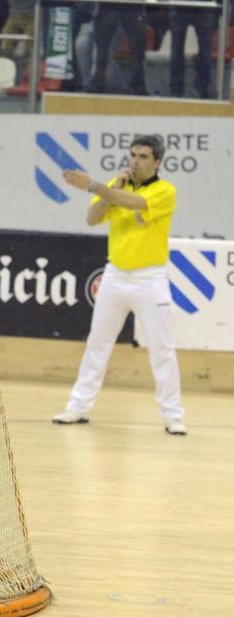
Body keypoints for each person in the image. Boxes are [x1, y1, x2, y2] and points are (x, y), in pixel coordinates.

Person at [54, 134, 186, 435]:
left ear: (156, 161)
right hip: (115, 276)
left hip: (150, 278)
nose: (135, 162)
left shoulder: (165, 191)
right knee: (97, 344)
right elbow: (92, 217)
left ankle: (173, 414)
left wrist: (92, 185)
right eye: (133, 155)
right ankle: (78, 407)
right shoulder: (117, 187)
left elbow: (135, 203)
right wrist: (109, 187)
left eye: (142, 157)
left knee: (162, 348)